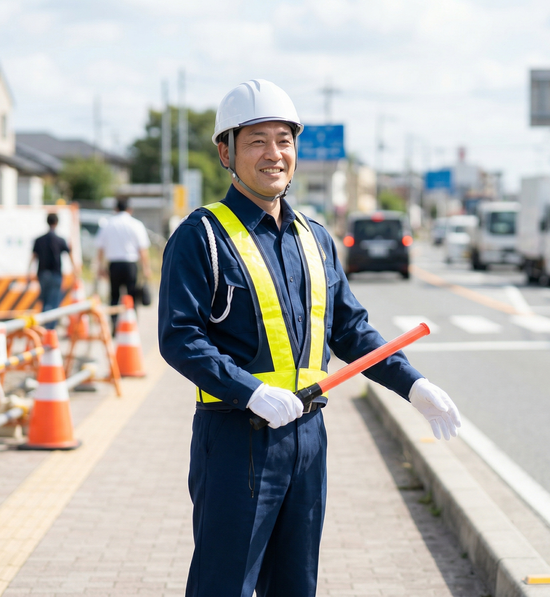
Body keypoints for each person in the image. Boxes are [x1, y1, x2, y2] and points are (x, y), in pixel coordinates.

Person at [158, 79, 462, 597]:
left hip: (307, 438)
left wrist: (413, 385)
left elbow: (350, 329)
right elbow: (179, 336)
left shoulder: (315, 237)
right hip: (236, 437)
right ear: (225, 152)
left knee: (297, 585)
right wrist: (248, 390)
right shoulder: (202, 236)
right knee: (223, 585)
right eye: (256, 141)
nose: (274, 154)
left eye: (284, 139)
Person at [95, 198, 152, 328]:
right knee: (131, 295)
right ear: (129, 209)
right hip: (130, 264)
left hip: (114, 264)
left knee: (114, 295)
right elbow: (142, 249)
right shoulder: (136, 224)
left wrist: (100, 267)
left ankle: (114, 324)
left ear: (115, 209)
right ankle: (132, 324)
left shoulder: (108, 224)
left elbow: (100, 249)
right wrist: (146, 268)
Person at [29, 213, 73, 330]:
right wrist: (75, 269)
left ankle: (44, 327)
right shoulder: (60, 240)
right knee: (54, 301)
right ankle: (50, 329)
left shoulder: (39, 240)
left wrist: (28, 271)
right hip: (55, 274)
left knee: (44, 300)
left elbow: (33, 256)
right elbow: (70, 254)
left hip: (42, 274)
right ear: (57, 223)